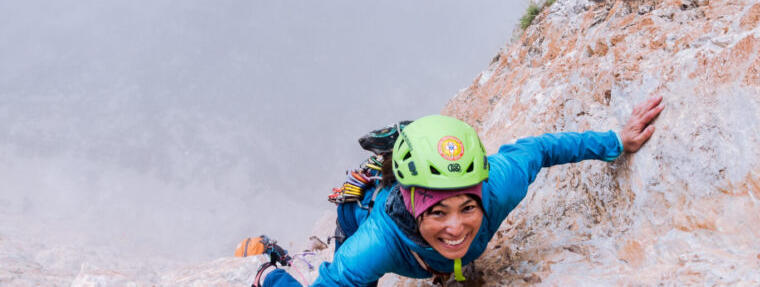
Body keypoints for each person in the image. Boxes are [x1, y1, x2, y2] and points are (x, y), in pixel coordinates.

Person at [254, 95, 664, 286]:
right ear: (412, 203)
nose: (456, 228)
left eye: (467, 207)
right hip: (358, 214)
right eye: (437, 212)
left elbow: (539, 149)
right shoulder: (376, 244)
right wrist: (270, 279)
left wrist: (616, 142)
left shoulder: (497, 186)